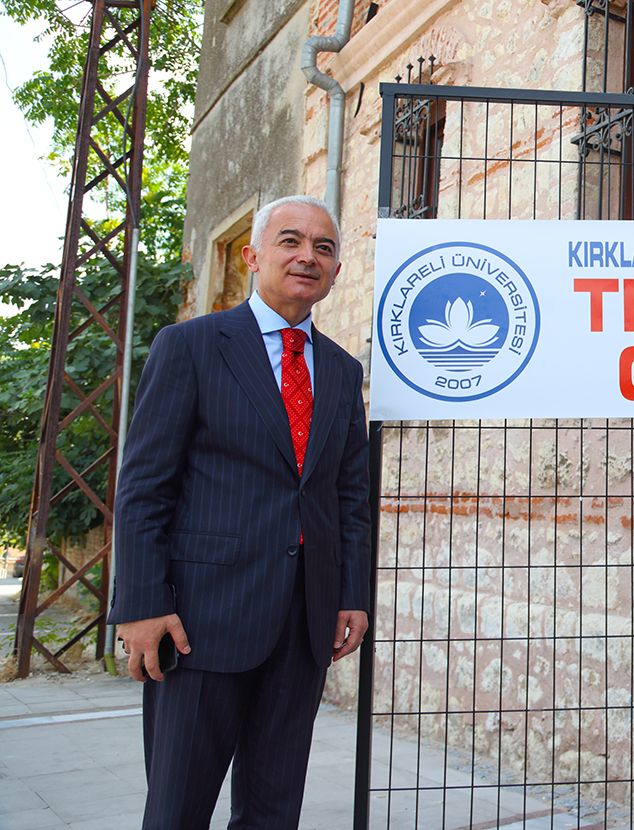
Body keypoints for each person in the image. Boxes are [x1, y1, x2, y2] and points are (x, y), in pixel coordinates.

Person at [109, 194, 371, 829]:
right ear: (253, 256)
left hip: (303, 627)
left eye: (324, 248)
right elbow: (144, 487)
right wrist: (141, 603)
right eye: (290, 241)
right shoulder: (191, 346)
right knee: (177, 810)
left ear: (336, 271)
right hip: (200, 622)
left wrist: (351, 595)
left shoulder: (342, 372)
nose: (307, 256)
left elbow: (350, 498)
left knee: (273, 812)